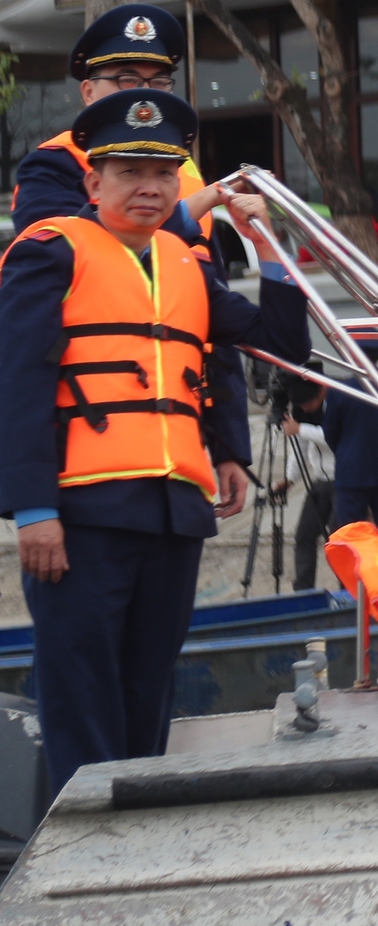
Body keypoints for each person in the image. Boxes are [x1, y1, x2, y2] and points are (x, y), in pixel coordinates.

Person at [0, 90, 308, 796]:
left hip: (173, 514)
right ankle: (77, 870)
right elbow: (15, 387)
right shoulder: (49, 253)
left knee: (149, 693)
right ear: (93, 181)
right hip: (82, 515)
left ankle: (134, 852)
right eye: (131, 171)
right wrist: (31, 510)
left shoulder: (186, 261)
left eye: (164, 173)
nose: (150, 188)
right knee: (82, 700)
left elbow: (280, 342)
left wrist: (266, 245)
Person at [9, 3, 257, 516]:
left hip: (175, 445)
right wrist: (188, 211)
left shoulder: (185, 176)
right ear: (88, 92)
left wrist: (230, 444)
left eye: (159, 82)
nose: (143, 93)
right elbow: (93, 249)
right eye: (125, 78)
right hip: (84, 447)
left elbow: (201, 310)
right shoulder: (52, 165)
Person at [323, 336, 378, 549]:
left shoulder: (339, 391)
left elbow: (331, 432)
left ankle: (354, 583)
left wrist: (346, 452)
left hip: (351, 472)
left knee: (351, 539)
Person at [279, 375, 337, 590]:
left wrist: (300, 429)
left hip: (342, 479)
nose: (306, 407)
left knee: (339, 539)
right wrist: (289, 478)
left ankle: (346, 590)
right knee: (304, 535)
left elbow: (333, 435)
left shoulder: (336, 405)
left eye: (309, 402)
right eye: (301, 404)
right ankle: (303, 590)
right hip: (319, 480)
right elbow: (300, 446)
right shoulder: (302, 411)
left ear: (321, 392)